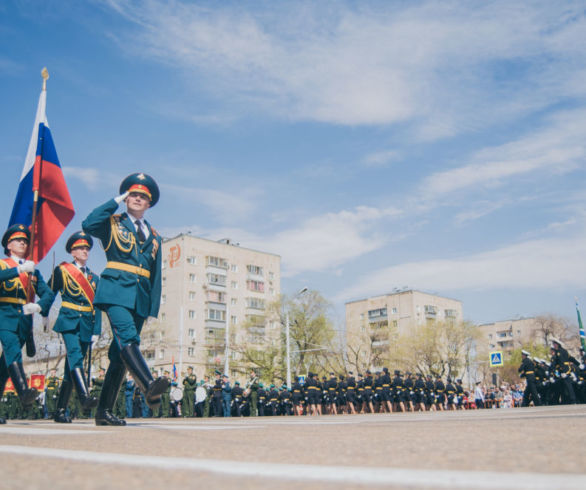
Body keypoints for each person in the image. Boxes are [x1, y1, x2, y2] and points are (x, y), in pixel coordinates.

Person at [82, 173, 169, 426]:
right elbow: (88, 225)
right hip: (116, 290)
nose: (137, 199)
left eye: (143, 197)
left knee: (119, 355)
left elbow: (155, 273)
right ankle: (148, 384)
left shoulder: (154, 234)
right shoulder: (113, 222)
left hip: (139, 297)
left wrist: (151, 305)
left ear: (149, 203)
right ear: (126, 198)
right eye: (133, 195)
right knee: (127, 337)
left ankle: (103, 412)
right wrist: (114, 201)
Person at [0, 224, 54, 424]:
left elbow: (47, 294)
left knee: (4, 367)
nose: (22, 243)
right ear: (8, 245)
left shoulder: (34, 272)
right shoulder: (4, 265)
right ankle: (24, 391)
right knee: (12, 351)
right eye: (18, 240)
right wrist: (18, 270)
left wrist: (39, 307)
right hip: (4, 315)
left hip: (24, 320)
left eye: (25, 241)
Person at [49, 231, 102, 423]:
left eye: (87, 248)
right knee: (75, 355)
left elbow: (98, 305)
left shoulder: (95, 278)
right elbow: (49, 292)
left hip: (87, 323)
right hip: (69, 319)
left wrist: (96, 331)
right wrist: (44, 312)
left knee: (70, 369)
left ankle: (60, 410)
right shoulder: (62, 271)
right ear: (73, 252)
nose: (85, 251)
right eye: (81, 248)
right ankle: (84, 397)